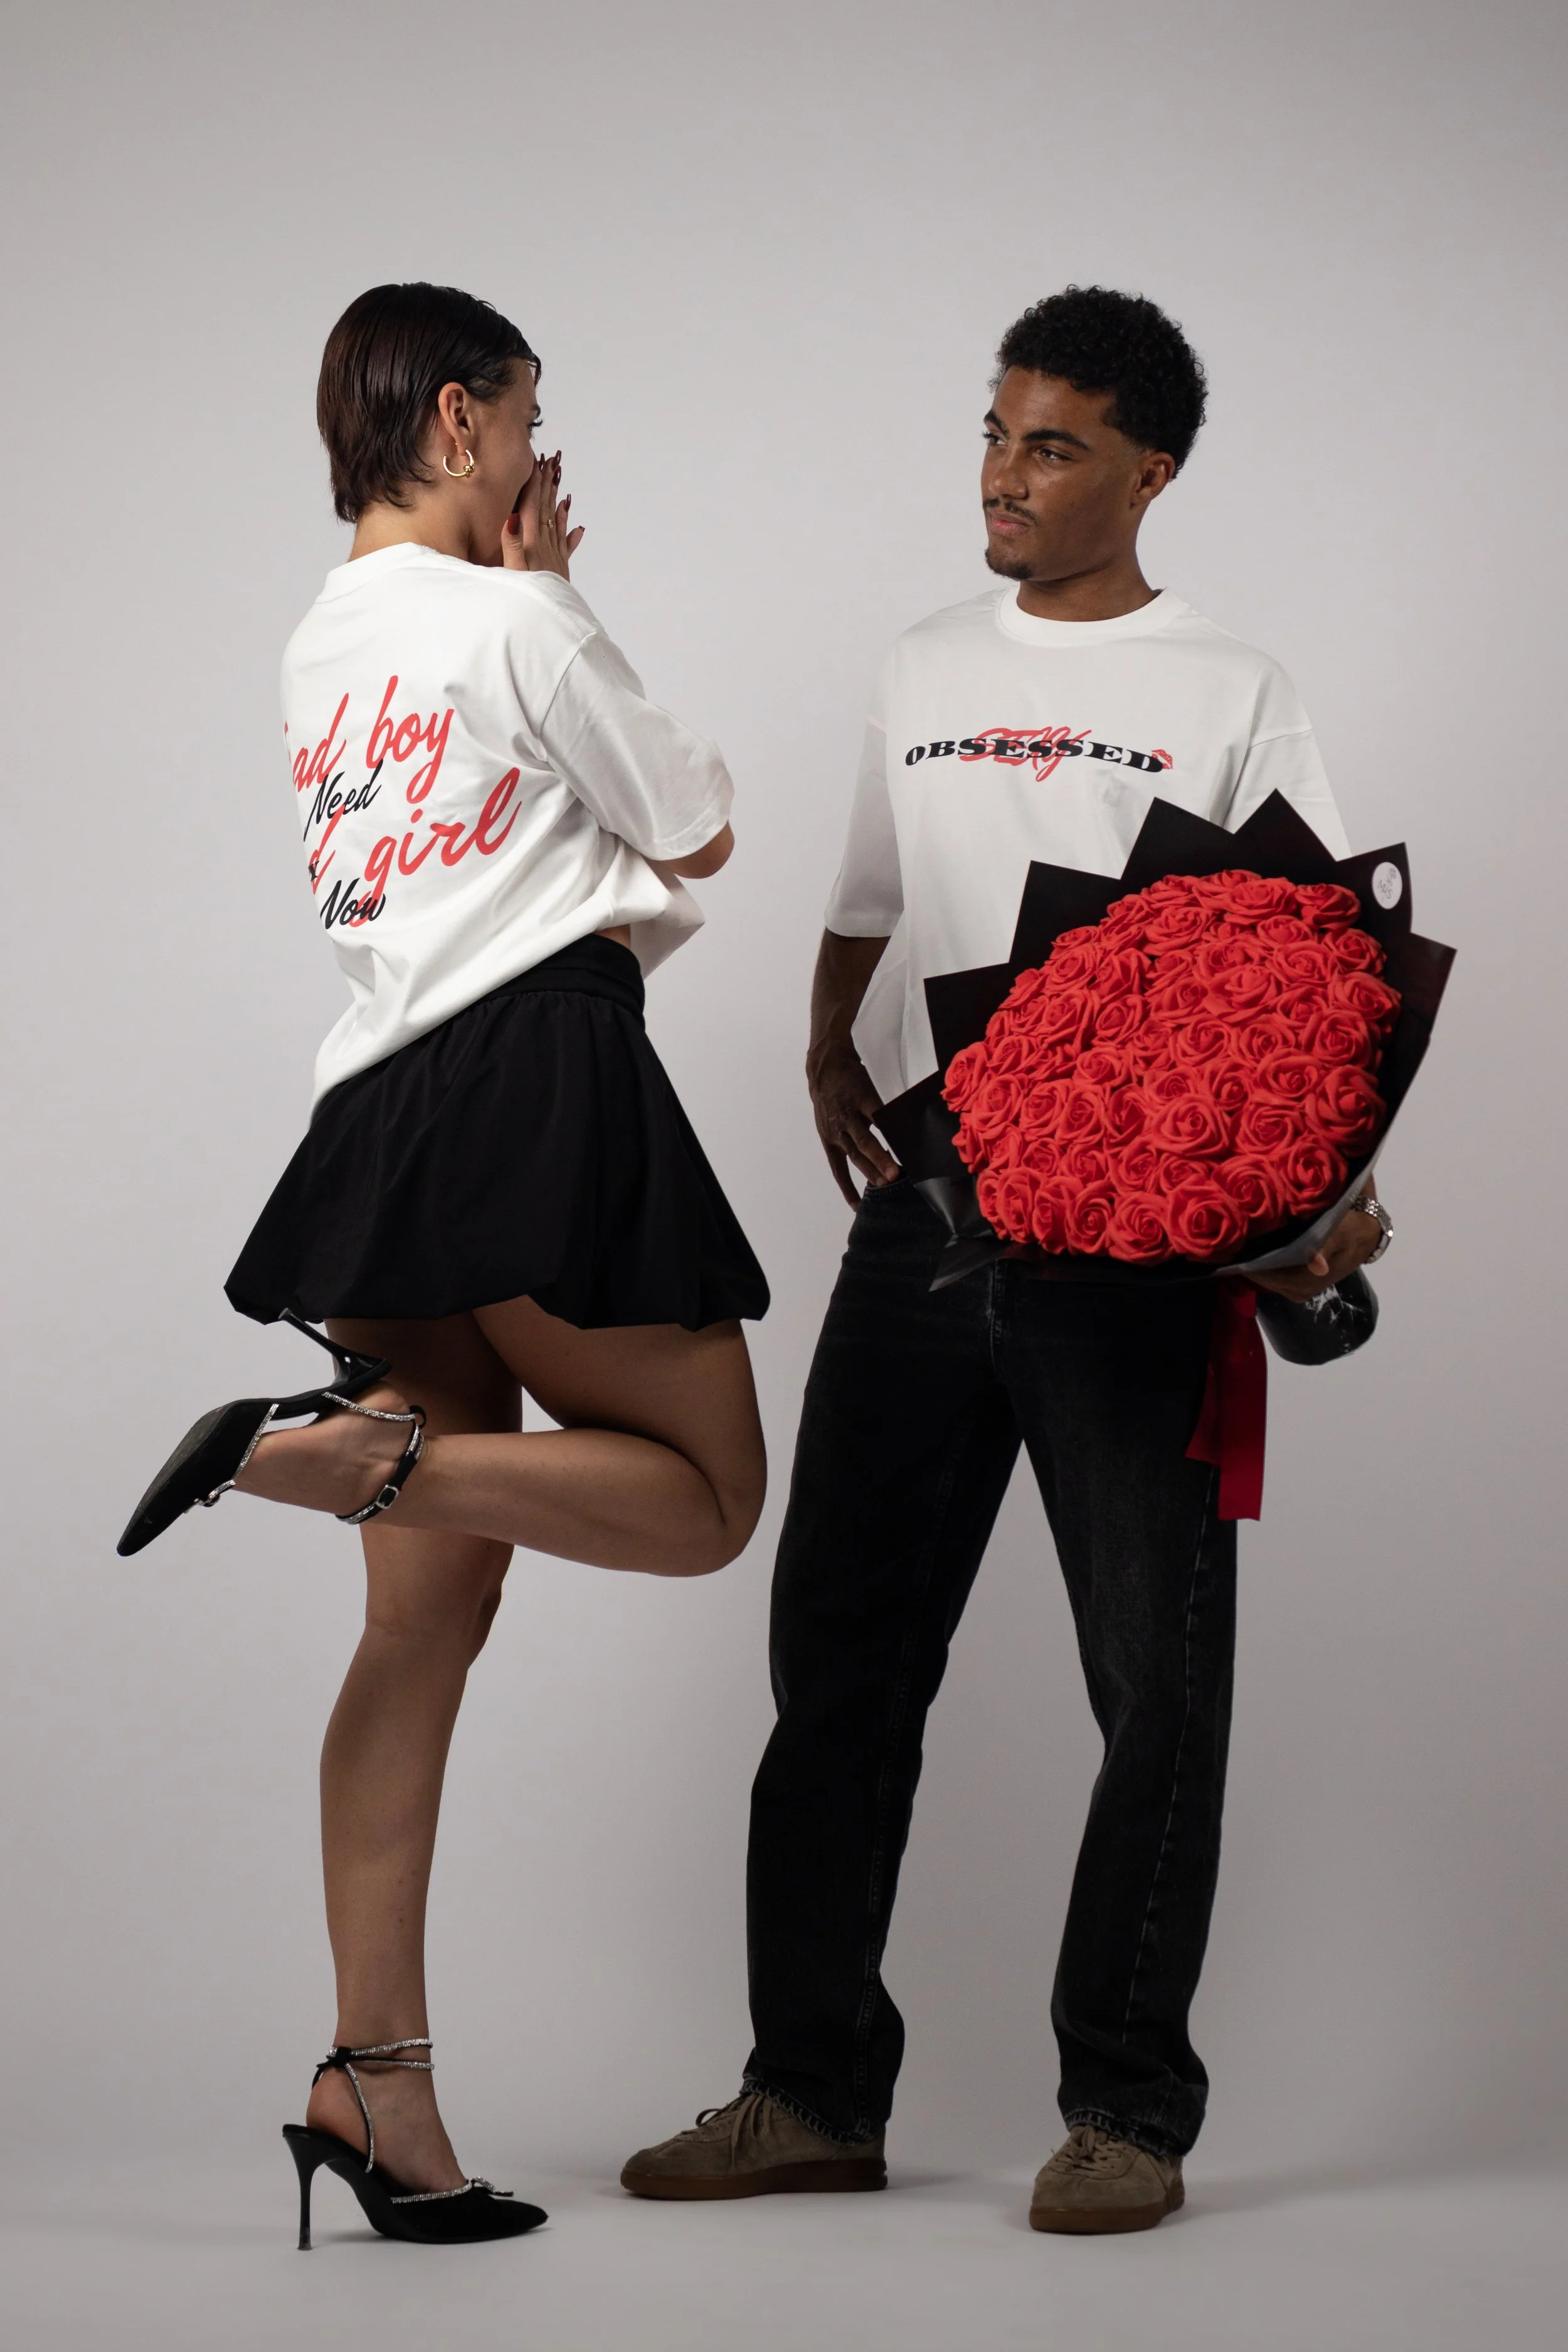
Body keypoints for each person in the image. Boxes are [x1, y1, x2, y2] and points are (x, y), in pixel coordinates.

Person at [620, 286, 1388, 2233]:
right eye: (992, 433)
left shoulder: (1229, 681)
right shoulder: (919, 662)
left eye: (1051, 446)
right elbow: (874, 890)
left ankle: (1125, 2107)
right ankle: (807, 2091)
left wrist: (1301, 1213)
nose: (1004, 476)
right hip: (937, 1187)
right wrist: (823, 1036)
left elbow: (1316, 968)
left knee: (1153, 1672)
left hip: (1133, 1211)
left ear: (1151, 471)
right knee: (839, 1656)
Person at [117, 282, 769, 2248]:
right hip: (539, 1082)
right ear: (464, 419)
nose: (541, 463)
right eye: (532, 423)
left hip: (382, 1121)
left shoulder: (320, 639)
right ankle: (355, 1453)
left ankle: (371, 2085)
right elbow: (698, 825)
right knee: (711, 1497)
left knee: (418, 1632)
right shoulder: (507, 615)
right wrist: (555, 589)